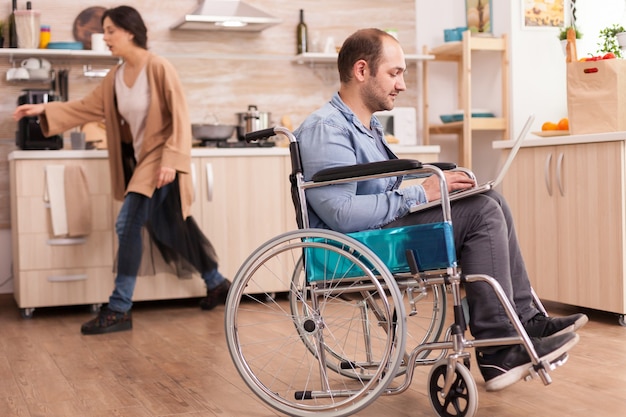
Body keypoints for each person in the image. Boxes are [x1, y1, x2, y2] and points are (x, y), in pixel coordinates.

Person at [293, 28, 588, 392]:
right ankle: (499, 348)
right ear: (361, 70)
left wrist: (440, 187)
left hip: (380, 233)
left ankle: (524, 321)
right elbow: (342, 214)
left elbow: (383, 189)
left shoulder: (366, 127)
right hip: (355, 248)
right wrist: (422, 194)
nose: (402, 84)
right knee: (481, 212)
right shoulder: (326, 128)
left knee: (490, 199)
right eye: (395, 72)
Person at [13, 5, 230, 335]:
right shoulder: (115, 76)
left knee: (127, 222)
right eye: (105, 30)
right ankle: (217, 282)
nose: (106, 37)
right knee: (172, 229)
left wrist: (171, 160)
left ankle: (119, 308)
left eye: (111, 30)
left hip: (161, 160)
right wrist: (45, 107)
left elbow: (181, 115)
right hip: (143, 161)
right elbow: (86, 107)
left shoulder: (158, 67)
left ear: (131, 31)